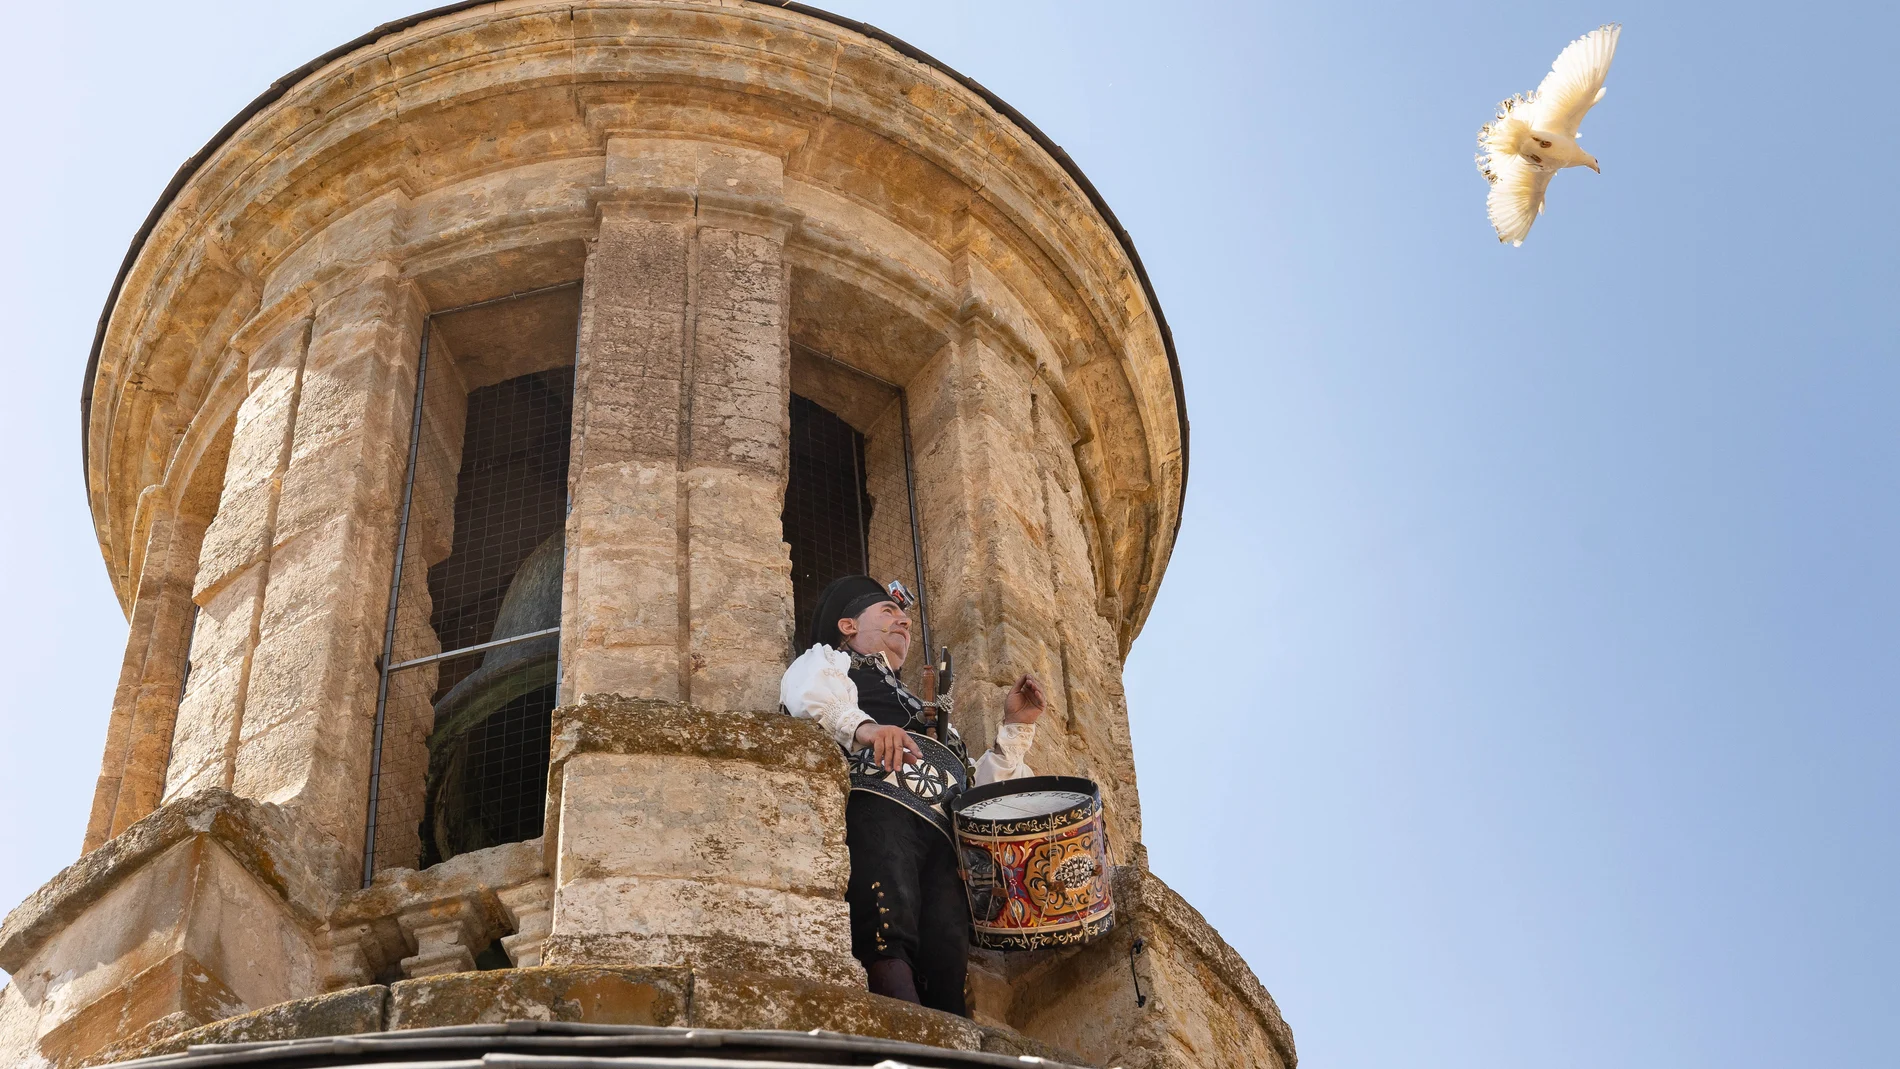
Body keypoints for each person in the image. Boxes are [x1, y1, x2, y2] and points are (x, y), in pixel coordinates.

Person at [780, 574, 1046, 1016]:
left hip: (944, 842)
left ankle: (945, 1037)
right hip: (882, 807)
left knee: (947, 946)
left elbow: (976, 788)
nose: (902, 621)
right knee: (888, 917)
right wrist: (865, 729)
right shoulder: (831, 662)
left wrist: (1015, 727)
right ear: (848, 626)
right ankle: (900, 1021)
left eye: (903, 616)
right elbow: (807, 690)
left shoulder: (925, 711)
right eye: (888, 612)